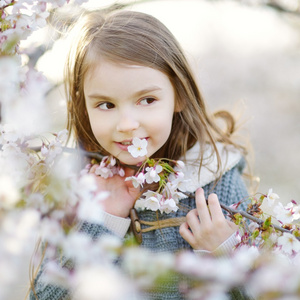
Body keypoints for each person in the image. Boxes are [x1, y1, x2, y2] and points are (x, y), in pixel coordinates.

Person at [30, 9, 250, 300]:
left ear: (179, 94)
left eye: (147, 100)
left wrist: (227, 253)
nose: (126, 124)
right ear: (85, 108)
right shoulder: (81, 190)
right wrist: (104, 220)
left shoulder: (215, 184)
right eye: (106, 105)